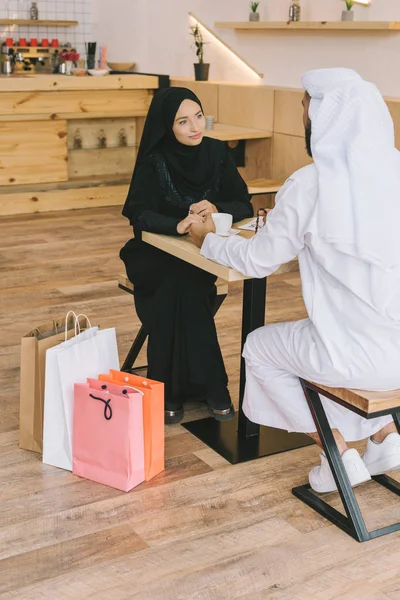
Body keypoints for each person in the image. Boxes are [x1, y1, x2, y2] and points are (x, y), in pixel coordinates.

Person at [189, 68, 400, 493]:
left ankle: (335, 451)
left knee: (260, 350)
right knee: (320, 346)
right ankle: (383, 437)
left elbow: (257, 260)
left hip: (353, 357)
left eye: (305, 108)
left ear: (323, 118)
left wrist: (208, 238)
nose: (301, 117)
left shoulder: (310, 184)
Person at [120, 87, 253, 424]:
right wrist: (177, 225)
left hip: (199, 253)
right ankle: (212, 387)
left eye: (198, 116)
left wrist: (217, 206)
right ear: (168, 126)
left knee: (186, 283)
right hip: (154, 252)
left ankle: (170, 391)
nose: (195, 127)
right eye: (183, 121)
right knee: (180, 285)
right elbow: (139, 214)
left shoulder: (216, 152)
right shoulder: (155, 159)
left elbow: (244, 204)